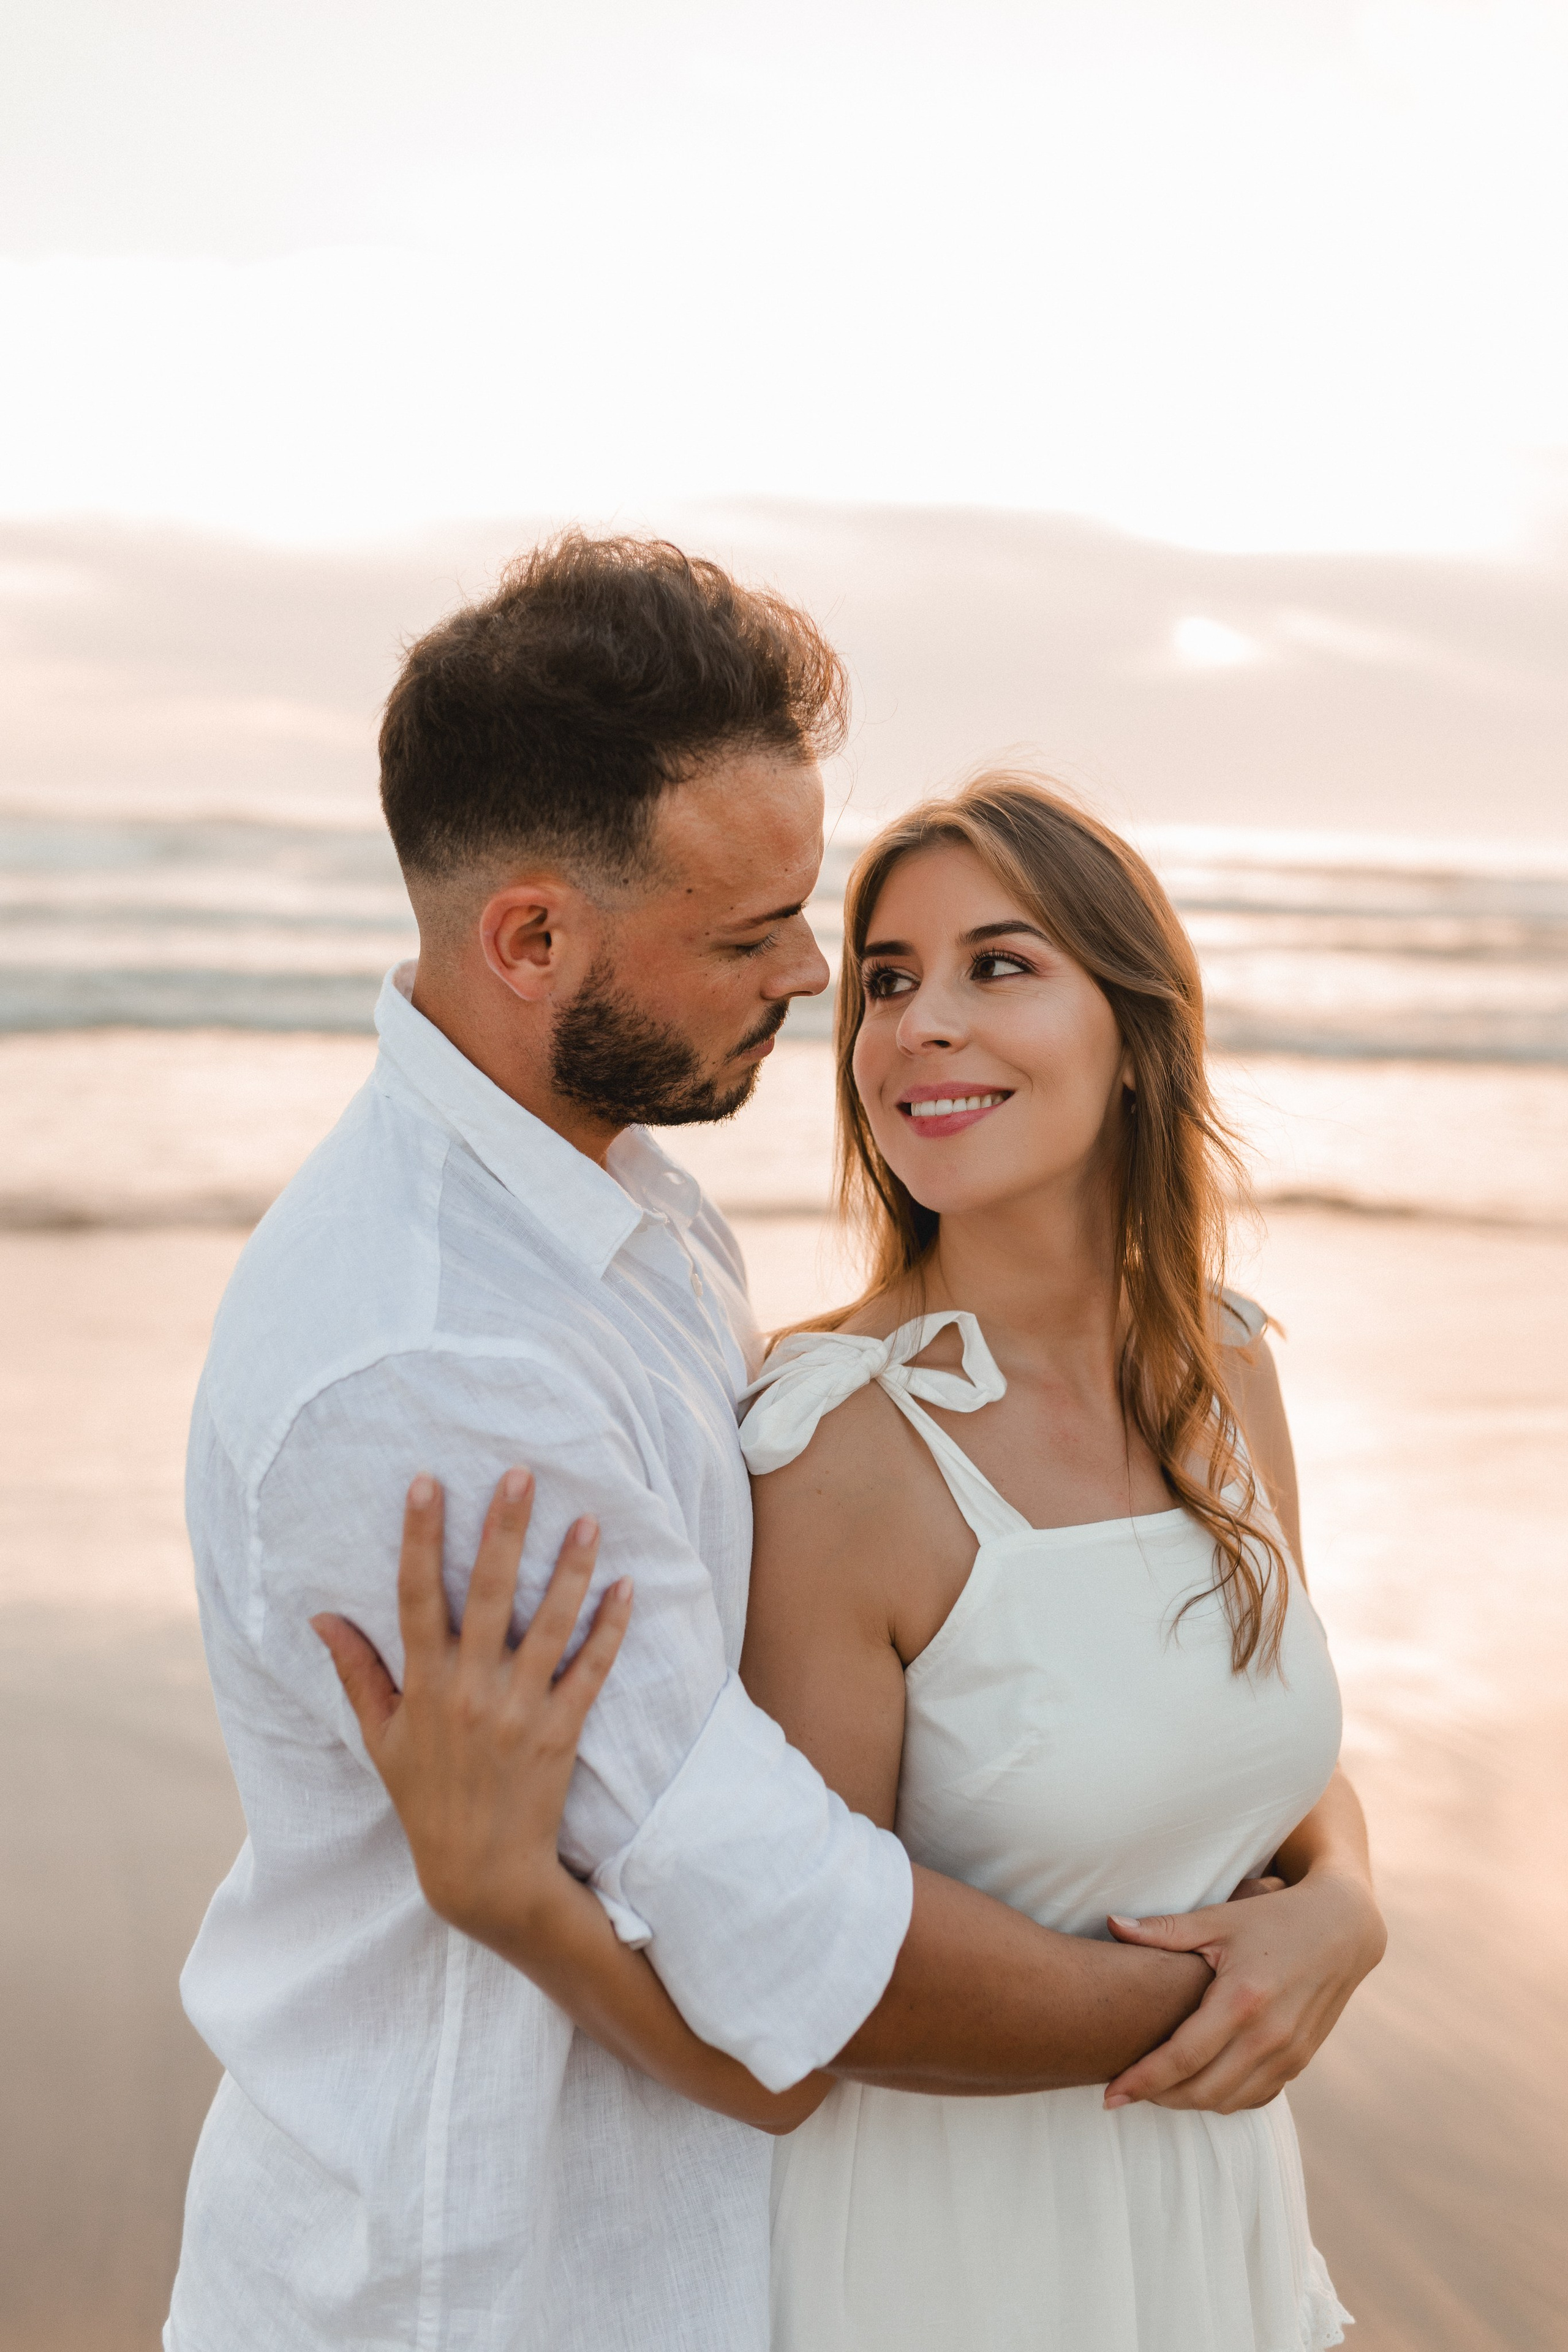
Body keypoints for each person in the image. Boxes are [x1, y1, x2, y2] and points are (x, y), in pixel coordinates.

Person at [172, 531, 1381, 2352]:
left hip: (1026, 2229)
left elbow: (1222, 1734)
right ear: (531, 940)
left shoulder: (631, 1211)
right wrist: (1261, 1983)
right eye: (759, 936)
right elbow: (803, 1980)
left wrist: (1343, 1906)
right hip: (480, 2284)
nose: (823, 985)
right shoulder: (441, 1363)